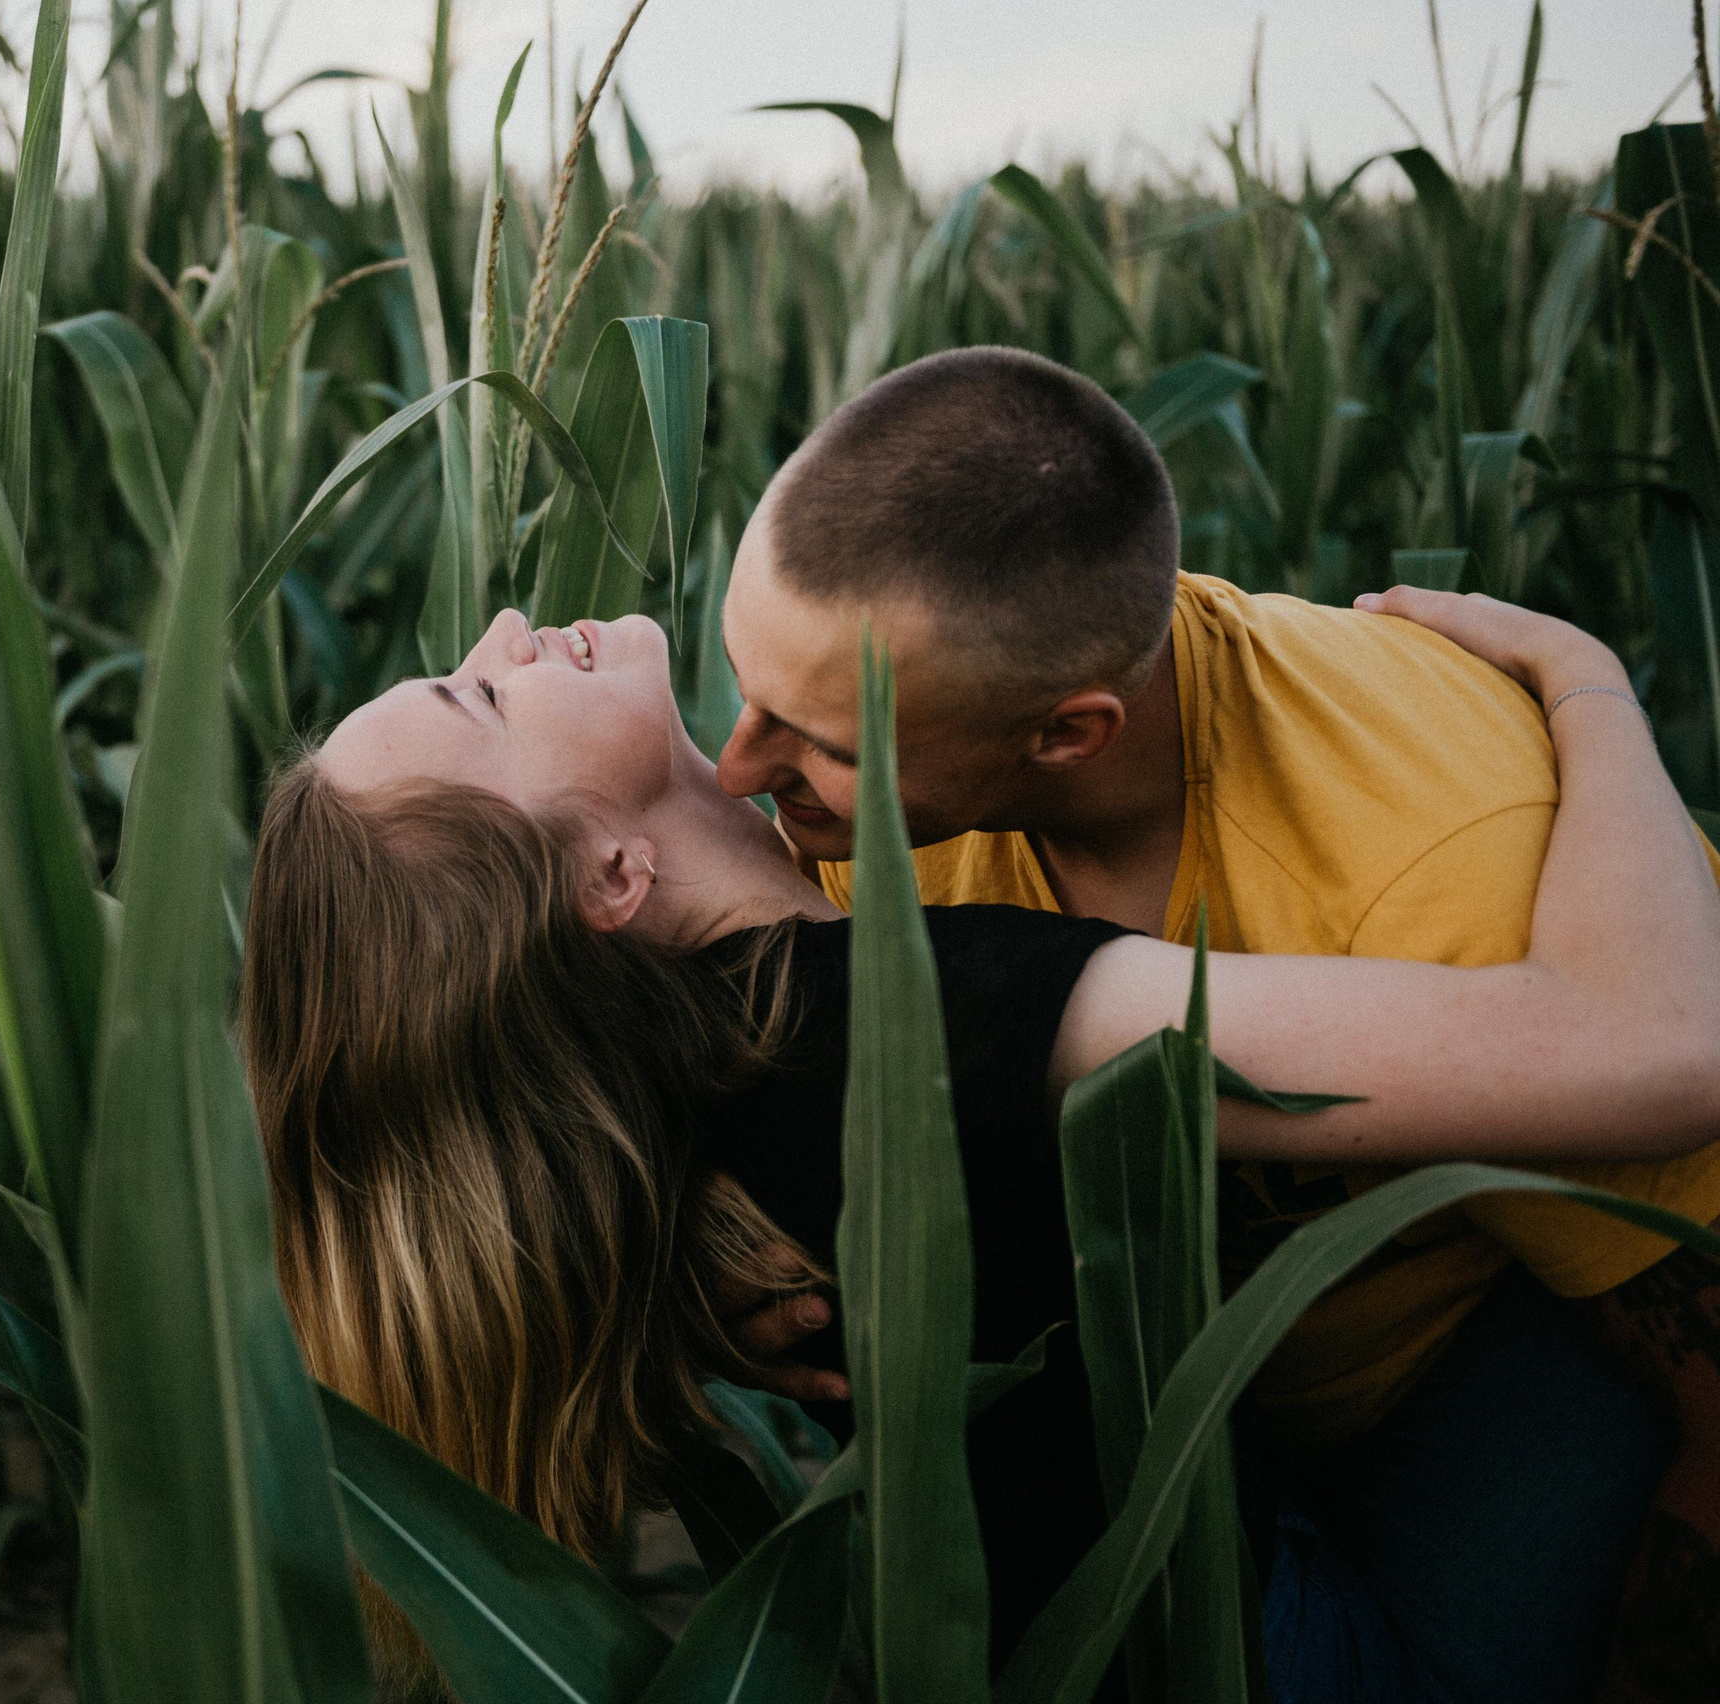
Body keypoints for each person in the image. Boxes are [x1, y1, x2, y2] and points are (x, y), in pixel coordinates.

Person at [243, 592, 1720, 1693]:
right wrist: (1589, 683)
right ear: (615, 876)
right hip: (1271, 1653)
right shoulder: (938, 1021)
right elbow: (1656, 1050)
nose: (504, 624)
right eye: (478, 699)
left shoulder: (675, 1097)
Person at [709, 346, 1720, 1704]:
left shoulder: (1438, 866)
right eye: (743, 685)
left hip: (1489, 1372)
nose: (736, 770)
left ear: (1070, 735)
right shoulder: (871, 806)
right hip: (1204, 1385)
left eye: (819, 741)